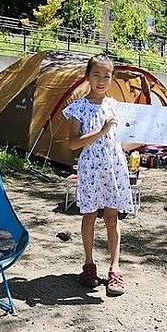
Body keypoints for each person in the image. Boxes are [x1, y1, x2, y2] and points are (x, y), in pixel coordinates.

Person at [63, 54, 135, 297]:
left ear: (112, 78)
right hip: (91, 169)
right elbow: (73, 144)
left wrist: (148, 136)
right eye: (96, 75)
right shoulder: (78, 108)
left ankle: (115, 268)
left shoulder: (115, 105)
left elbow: (121, 140)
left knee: (113, 218)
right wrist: (101, 130)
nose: (102, 80)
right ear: (87, 77)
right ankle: (89, 264)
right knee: (90, 215)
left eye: (107, 75)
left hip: (114, 167)